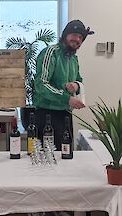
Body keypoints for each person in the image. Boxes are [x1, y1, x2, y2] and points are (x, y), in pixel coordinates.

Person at [33, 19, 94, 150]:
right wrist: (67, 98)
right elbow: (40, 84)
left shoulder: (73, 58)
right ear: (65, 34)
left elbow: (79, 80)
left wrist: (77, 85)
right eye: (74, 34)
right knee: (46, 162)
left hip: (65, 115)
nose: (77, 39)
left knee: (65, 158)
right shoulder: (50, 52)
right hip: (46, 116)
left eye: (80, 37)